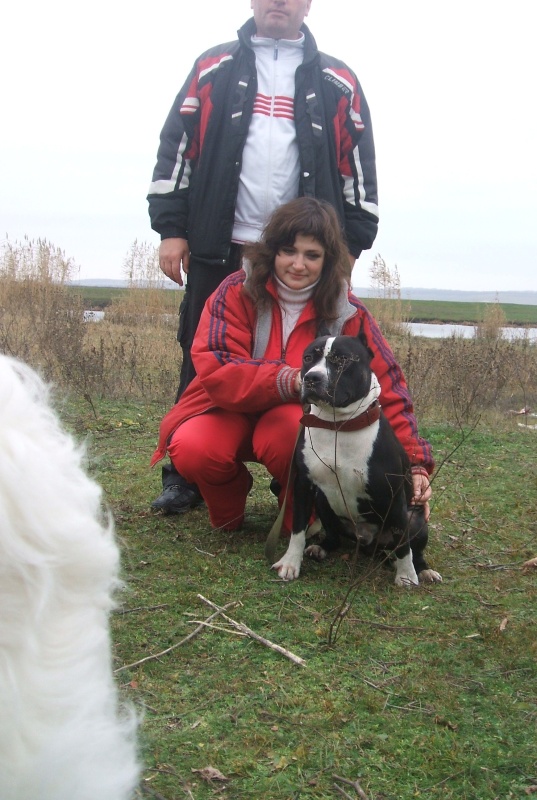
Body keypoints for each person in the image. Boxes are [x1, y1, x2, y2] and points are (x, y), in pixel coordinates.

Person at [147, 0, 379, 513]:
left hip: (303, 251)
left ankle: (297, 472)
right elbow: (177, 149)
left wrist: (351, 243)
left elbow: (357, 165)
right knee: (201, 355)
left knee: (313, 355)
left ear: (308, 4)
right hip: (219, 241)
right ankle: (185, 476)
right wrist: (172, 228)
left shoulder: (338, 80)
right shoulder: (213, 67)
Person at [150, 198, 433, 538]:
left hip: (292, 418)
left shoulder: (348, 312)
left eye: (312, 255)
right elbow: (218, 366)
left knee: (293, 434)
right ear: (271, 251)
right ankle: (228, 510)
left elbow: (386, 386)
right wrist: (288, 380)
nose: (298, 265)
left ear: (328, 260)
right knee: (193, 446)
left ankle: (300, 520)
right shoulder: (234, 292)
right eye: (288, 251)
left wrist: (415, 463)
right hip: (225, 408)